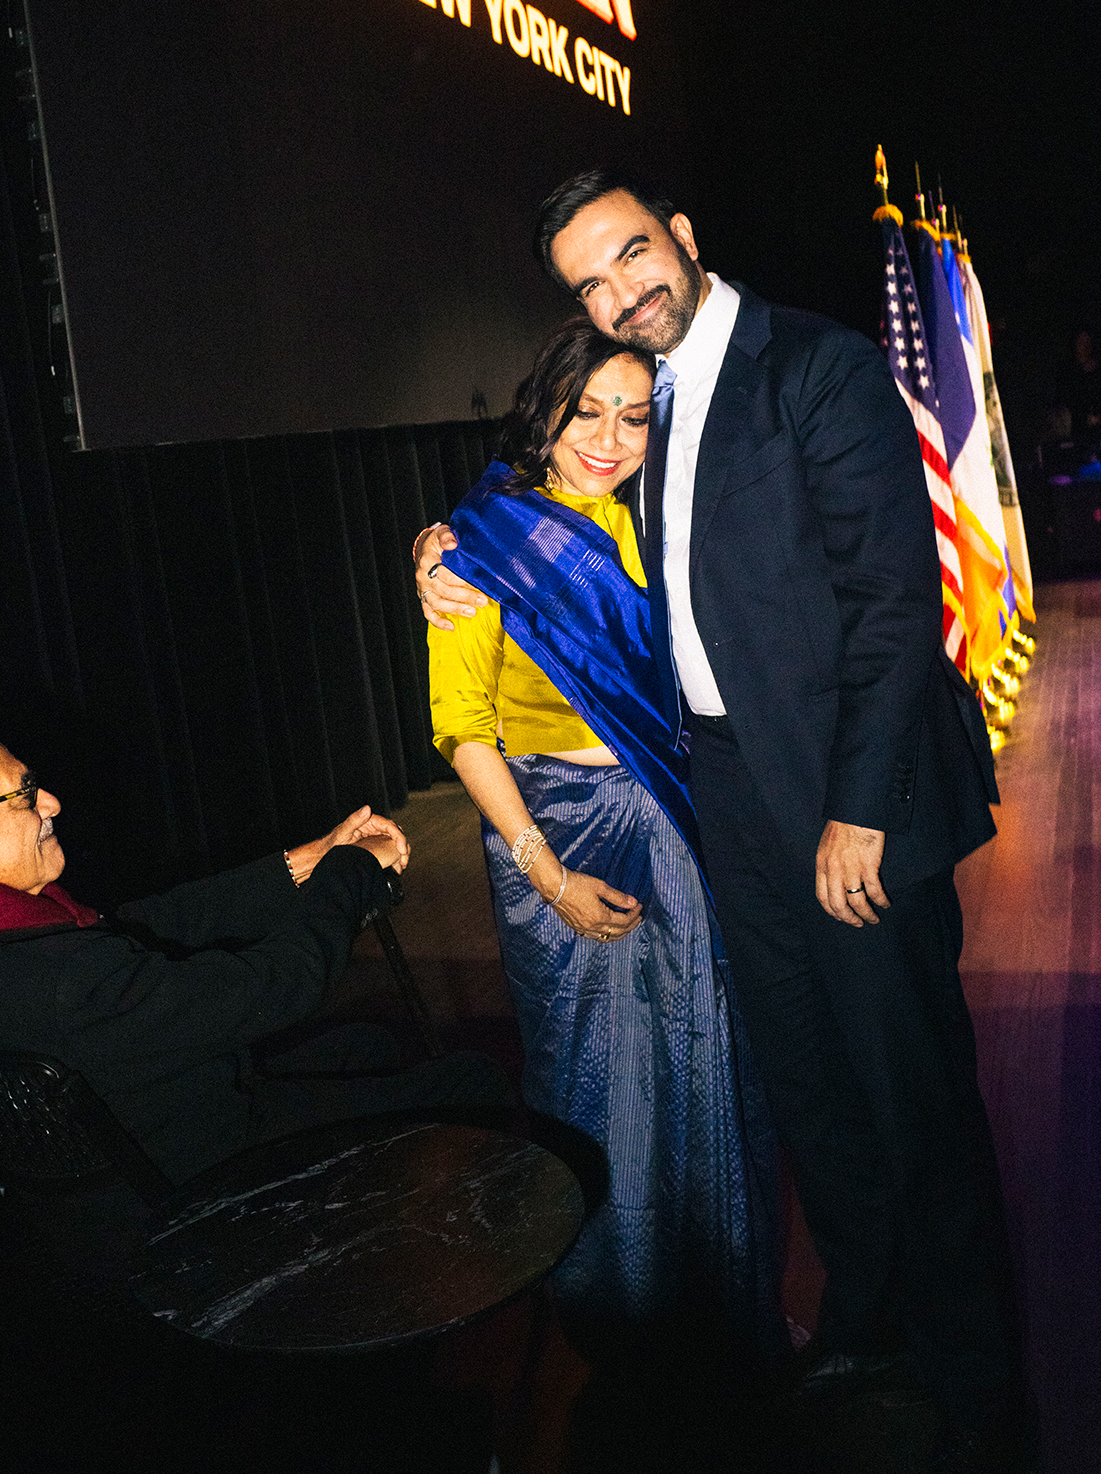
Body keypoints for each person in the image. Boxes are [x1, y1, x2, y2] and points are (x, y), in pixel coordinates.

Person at [416, 171, 1025, 1472]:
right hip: (727, 797)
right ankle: (866, 1327)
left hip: (847, 793)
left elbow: (893, 605)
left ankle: (977, 1385)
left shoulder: (816, 366)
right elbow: (560, 494)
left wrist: (858, 810)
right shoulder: (649, 399)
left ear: (682, 237)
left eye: (632, 253)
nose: (621, 291)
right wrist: (443, 546)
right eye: (588, 283)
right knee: (809, 1084)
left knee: (910, 1094)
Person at [426, 318, 784, 1364]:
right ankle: (615, 1322)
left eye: (634, 418)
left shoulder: (655, 523)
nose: (609, 438)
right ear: (545, 409)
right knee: (594, 1079)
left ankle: (724, 1305)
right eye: (588, 411)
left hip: (675, 818)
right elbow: (463, 728)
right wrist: (548, 876)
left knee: (705, 1058)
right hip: (555, 835)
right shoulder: (481, 543)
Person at [0, 720, 510, 1184]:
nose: (50, 803)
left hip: (131, 1155)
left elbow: (151, 926)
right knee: (470, 1081)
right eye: (23, 794)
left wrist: (307, 861)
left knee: (369, 1044)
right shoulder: (62, 980)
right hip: (202, 1180)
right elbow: (279, 984)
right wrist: (351, 871)